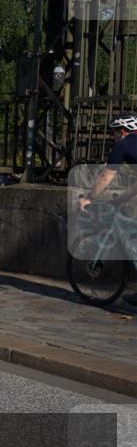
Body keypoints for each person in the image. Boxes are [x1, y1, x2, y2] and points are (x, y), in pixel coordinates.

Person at [77, 112, 137, 305]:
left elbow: (106, 177)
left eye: (113, 133)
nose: (113, 137)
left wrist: (88, 198)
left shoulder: (123, 145)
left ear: (122, 131)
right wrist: (122, 198)